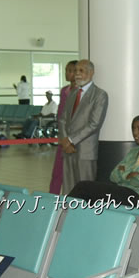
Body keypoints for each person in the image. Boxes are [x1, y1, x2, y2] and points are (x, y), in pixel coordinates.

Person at [68, 114, 139, 209]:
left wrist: (123, 173)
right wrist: (129, 175)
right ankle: (65, 214)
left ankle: (61, 213)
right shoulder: (133, 152)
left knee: (85, 188)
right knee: (84, 188)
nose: (135, 133)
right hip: (123, 192)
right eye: (133, 128)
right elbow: (113, 176)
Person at [59, 59, 108, 195]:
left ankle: (84, 216)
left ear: (91, 73)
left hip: (85, 152)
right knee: (68, 189)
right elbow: (63, 119)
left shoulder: (99, 95)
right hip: (68, 150)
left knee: (86, 191)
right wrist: (64, 141)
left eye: (81, 71)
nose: (77, 74)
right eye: (75, 71)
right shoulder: (72, 94)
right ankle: (67, 214)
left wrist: (71, 140)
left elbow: (94, 124)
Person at [49, 60, 77, 194]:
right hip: (62, 137)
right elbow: (61, 114)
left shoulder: (80, 92)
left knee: (72, 175)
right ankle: (51, 198)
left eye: (71, 70)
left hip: (73, 139)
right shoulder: (64, 90)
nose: (68, 73)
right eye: (66, 70)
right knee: (57, 172)